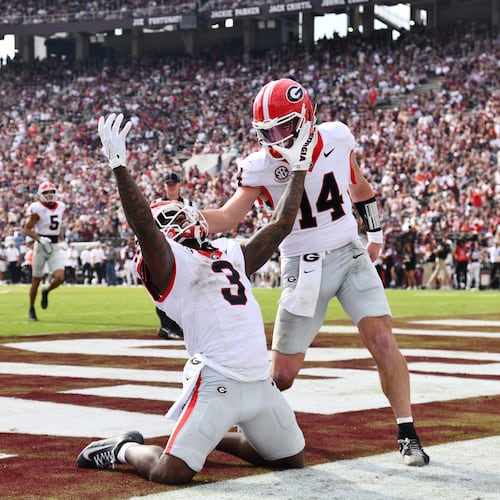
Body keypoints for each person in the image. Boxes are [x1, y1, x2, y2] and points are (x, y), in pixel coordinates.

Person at [202, 78, 429, 466]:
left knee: (382, 339)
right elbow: (227, 216)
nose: (275, 137)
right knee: (283, 375)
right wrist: (180, 219)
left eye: (283, 126)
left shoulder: (337, 138)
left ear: (305, 116)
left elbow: (358, 187)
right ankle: (238, 428)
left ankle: (408, 433)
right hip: (302, 266)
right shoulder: (261, 165)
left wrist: (374, 232)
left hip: (349, 253)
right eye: (268, 130)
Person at [76, 113, 307, 484]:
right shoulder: (168, 262)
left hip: (259, 382)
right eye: (167, 218)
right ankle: (122, 449)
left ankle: (209, 437)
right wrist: (119, 167)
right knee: (171, 472)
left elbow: (279, 226)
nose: (175, 218)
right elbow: (146, 231)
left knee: (289, 459)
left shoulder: (226, 252)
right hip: (216, 381)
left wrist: (299, 167)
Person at [153, 171, 192, 340]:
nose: (171, 188)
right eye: (168, 185)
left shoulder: (189, 204)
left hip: (183, 249)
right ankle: (167, 326)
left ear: (179, 185)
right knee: (162, 290)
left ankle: (177, 325)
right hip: (163, 251)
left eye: (173, 185)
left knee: (183, 291)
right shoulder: (157, 204)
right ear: (165, 186)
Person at [22, 181, 66, 321]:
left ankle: (46, 291)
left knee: (60, 277)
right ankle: (31, 308)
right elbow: (27, 229)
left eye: (51, 192)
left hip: (54, 246)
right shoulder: (37, 208)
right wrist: (39, 238)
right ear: (40, 195)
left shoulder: (61, 206)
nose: (49, 195)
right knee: (36, 279)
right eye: (46, 193)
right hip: (41, 246)